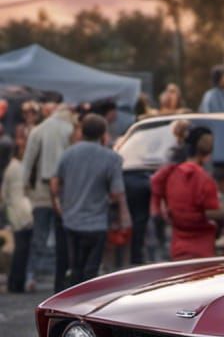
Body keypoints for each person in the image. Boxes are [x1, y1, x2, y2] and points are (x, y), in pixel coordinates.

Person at [51, 114, 130, 286]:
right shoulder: (112, 158)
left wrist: (60, 206)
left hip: (71, 221)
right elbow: (118, 193)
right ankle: (86, 305)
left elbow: (55, 186)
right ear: (103, 134)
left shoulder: (67, 155)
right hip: (96, 223)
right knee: (91, 270)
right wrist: (124, 217)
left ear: (82, 132)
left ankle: (70, 303)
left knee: (75, 266)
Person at [150, 126, 224, 260]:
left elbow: (155, 185)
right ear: (209, 152)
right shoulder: (204, 179)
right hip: (202, 249)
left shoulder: (172, 173)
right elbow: (210, 212)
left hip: (178, 247)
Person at [23, 103, 76, 292]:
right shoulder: (70, 129)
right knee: (63, 238)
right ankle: (62, 278)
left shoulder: (39, 129)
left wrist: (26, 186)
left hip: (42, 189)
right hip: (65, 190)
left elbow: (28, 161)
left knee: (39, 236)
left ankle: (31, 276)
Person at [2, 133, 34, 292]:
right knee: (22, 249)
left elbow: (5, 194)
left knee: (20, 249)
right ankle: (17, 283)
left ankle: (15, 282)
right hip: (24, 210)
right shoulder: (21, 167)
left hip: (14, 210)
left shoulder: (11, 167)